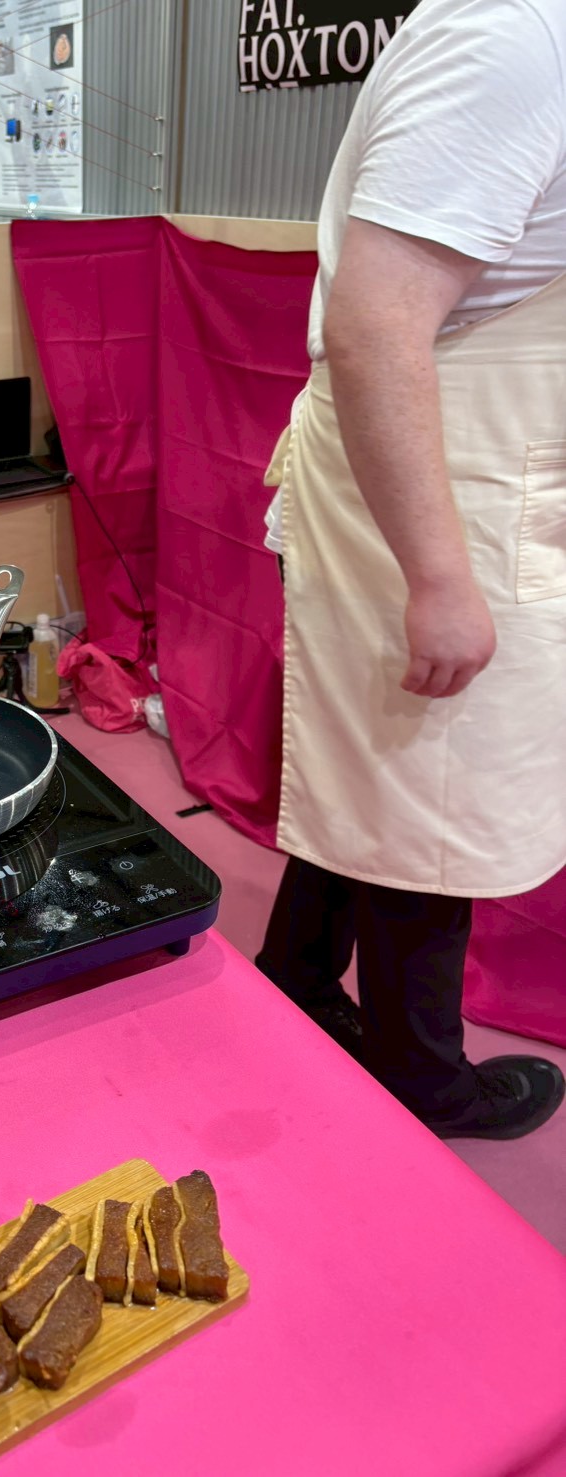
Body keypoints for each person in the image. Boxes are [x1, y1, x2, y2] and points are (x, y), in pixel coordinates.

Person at [256, 0, 566, 1142]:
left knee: (382, 767)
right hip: (442, 487)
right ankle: (421, 1077)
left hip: (477, 469)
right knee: (434, 791)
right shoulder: (516, 37)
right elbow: (376, 326)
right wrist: (438, 575)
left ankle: (295, 977)